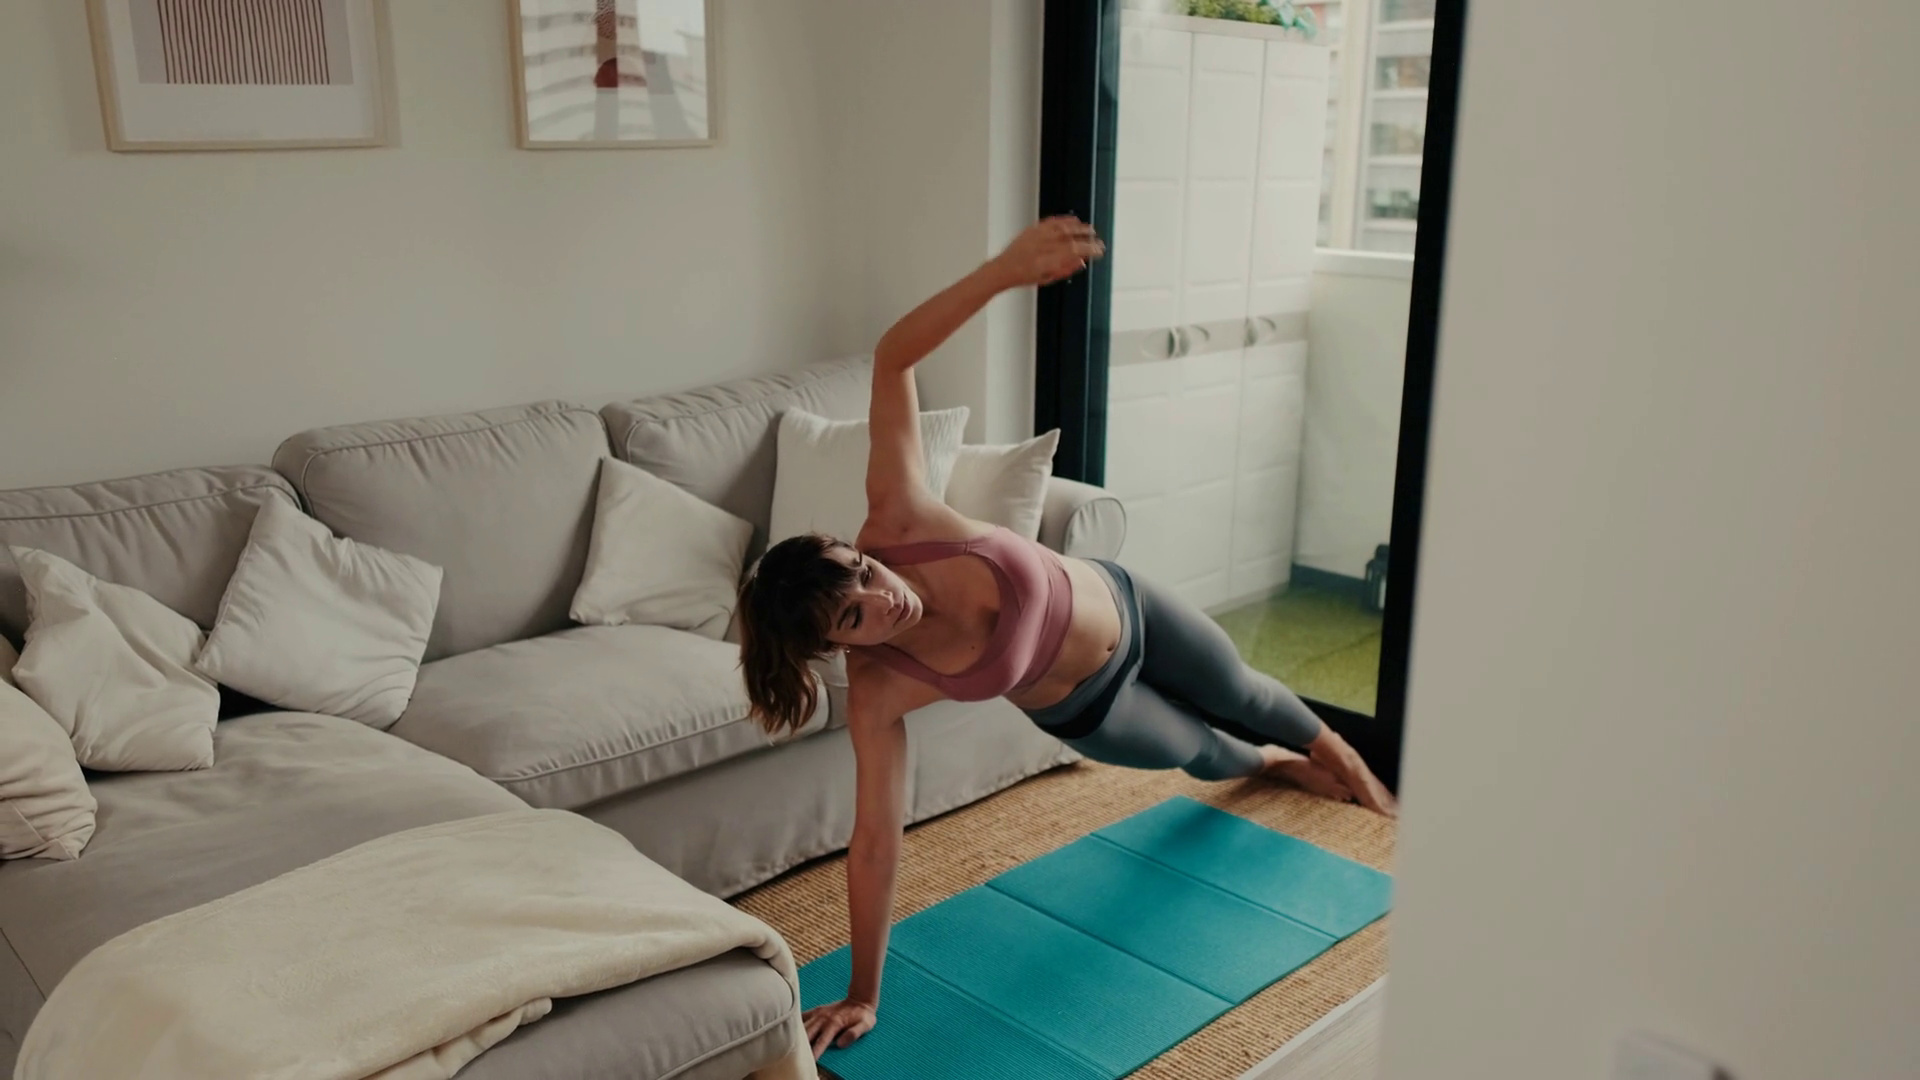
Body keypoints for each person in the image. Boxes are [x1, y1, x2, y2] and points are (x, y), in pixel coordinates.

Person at [734, 216, 1397, 1060]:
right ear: (837, 646)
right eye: (856, 614)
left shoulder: (899, 515)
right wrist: (864, 993)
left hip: (1128, 603)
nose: (883, 596)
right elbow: (874, 843)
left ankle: (1352, 764)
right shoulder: (879, 689)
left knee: (1246, 689)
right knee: (1209, 754)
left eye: (862, 571)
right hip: (1093, 709)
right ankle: (1274, 765)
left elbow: (893, 357)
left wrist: (1003, 271)